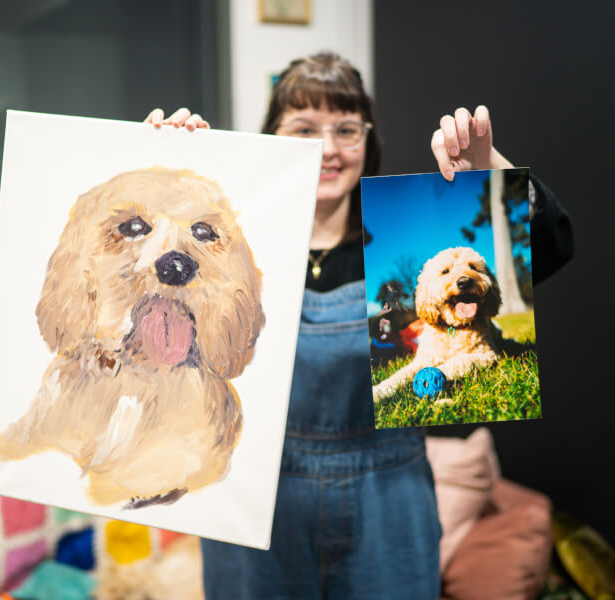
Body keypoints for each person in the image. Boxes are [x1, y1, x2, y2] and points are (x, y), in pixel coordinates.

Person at [145, 51, 573, 599]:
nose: (328, 148)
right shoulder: (231, 244)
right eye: (304, 128)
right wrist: (163, 170)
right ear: (272, 137)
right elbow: (153, 300)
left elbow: (556, 247)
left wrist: (496, 174)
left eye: (346, 129)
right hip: (255, 496)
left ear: (367, 141)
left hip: (388, 499)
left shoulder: (400, 242)